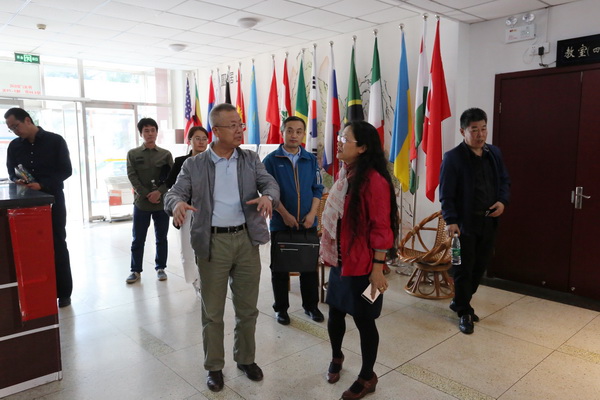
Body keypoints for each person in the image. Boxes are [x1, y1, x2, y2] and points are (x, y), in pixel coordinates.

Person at [164, 103, 279, 393]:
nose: (240, 130)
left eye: (240, 124)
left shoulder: (250, 159)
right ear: (216, 130)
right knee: (213, 312)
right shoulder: (194, 164)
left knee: (247, 309)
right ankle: (214, 366)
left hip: (246, 241)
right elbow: (174, 193)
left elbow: (270, 184)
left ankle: (245, 359)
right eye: (233, 125)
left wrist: (268, 196)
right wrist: (176, 204)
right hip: (212, 243)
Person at [320, 121, 398, 400]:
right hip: (341, 262)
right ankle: (337, 356)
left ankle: (367, 376)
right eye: (340, 137)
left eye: (345, 139)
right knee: (335, 313)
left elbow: (382, 229)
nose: (339, 142)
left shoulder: (374, 181)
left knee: (365, 322)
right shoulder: (347, 173)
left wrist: (377, 270)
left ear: (363, 148)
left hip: (365, 268)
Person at [439, 107, 510, 334]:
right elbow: (446, 193)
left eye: (483, 129)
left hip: (489, 221)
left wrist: (502, 201)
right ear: (463, 131)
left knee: (480, 267)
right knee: (463, 268)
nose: (480, 134)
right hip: (464, 224)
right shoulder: (453, 158)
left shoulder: (494, 153)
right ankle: (464, 311)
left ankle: (460, 301)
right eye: (474, 130)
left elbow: (504, 181)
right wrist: (451, 220)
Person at [5, 108, 74, 308]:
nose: (15, 131)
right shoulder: (14, 146)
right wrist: (17, 179)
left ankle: (64, 292)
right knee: (33, 247)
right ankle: (39, 290)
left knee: (57, 243)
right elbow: (11, 172)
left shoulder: (55, 141)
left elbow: (66, 170)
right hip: (27, 204)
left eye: (16, 126)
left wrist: (42, 185)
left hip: (53, 200)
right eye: (11, 129)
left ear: (27, 120)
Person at [263, 116, 324, 325]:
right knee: (280, 268)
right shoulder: (271, 160)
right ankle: (281, 309)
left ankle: (311, 306)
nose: (294, 135)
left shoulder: (310, 160)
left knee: (309, 267)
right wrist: (284, 215)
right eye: (289, 130)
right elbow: (268, 192)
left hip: (307, 223)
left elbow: (317, 189)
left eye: (299, 131)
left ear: (303, 134)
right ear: (282, 132)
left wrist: (312, 214)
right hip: (281, 224)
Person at [125, 118, 173, 284]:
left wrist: (159, 192)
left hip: (161, 203)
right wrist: (146, 194)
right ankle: (135, 270)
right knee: (138, 239)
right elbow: (132, 176)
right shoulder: (133, 154)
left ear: (157, 132)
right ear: (141, 133)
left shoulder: (165, 154)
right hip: (142, 203)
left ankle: (161, 268)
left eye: (153, 130)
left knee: (162, 238)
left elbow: (171, 177)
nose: (150, 133)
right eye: (146, 130)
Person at [165, 126, 209, 296]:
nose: (201, 142)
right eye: (197, 138)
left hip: (207, 210)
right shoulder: (181, 161)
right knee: (188, 249)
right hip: (187, 210)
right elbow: (171, 185)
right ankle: (195, 282)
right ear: (189, 141)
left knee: (207, 249)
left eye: (204, 139)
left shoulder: (212, 161)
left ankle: (206, 280)